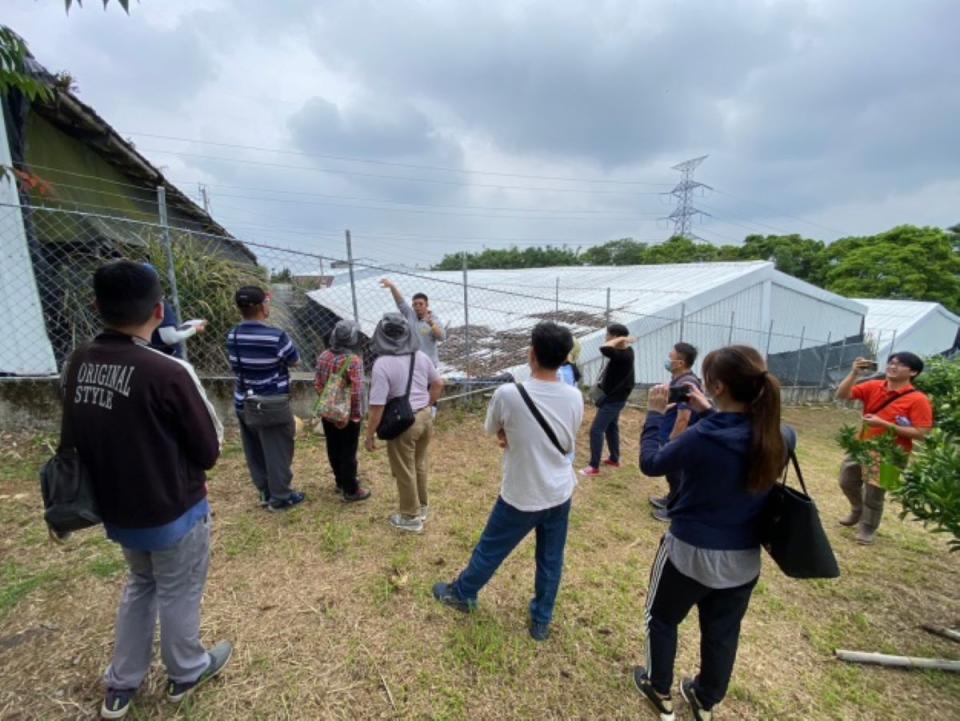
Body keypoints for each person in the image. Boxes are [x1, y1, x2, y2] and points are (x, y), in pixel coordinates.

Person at [61, 260, 231, 720]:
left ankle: (122, 684)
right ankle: (188, 670)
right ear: (160, 310)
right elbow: (208, 448)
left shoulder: (79, 361)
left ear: (96, 307)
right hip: (173, 507)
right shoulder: (166, 371)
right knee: (178, 588)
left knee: (140, 584)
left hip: (116, 509)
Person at [633, 345, 787, 721]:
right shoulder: (780, 435)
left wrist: (654, 417)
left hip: (688, 552)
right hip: (744, 559)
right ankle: (705, 699)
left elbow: (651, 463)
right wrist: (710, 413)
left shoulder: (704, 437)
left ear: (716, 387)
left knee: (663, 618)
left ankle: (658, 686)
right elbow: (734, 442)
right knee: (722, 632)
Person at [433, 321, 584, 641]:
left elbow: (492, 428)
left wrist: (507, 433)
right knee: (551, 559)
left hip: (522, 493)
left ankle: (462, 593)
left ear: (531, 354)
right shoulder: (574, 396)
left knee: (491, 549)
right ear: (564, 358)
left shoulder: (508, 393)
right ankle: (541, 620)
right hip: (560, 491)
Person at [834, 352, 933, 544]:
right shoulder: (874, 386)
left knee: (874, 492)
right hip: (862, 445)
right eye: (891, 362)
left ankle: (867, 528)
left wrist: (885, 424)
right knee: (847, 480)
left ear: (913, 372)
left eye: (900, 364)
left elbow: (921, 433)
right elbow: (842, 395)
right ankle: (857, 509)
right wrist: (854, 374)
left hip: (892, 452)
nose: (892, 366)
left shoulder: (918, 400)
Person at [226, 285, 305, 511]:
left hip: (244, 400)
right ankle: (281, 497)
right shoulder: (275, 336)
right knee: (278, 449)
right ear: (263, 306)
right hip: (271, 403)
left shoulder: (233, 335)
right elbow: (295, 360)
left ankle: (265, 491)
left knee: (255, 449)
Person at [365, 313, 444, 533]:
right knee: (418, 464)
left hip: (403, 423)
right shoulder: (419, 356)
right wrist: (425, 404)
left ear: (380, 335)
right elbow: (438, 383)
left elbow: (377, 406)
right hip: (424, 417)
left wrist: (370, 434)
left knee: (404, 470)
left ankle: (410, 517)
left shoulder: (382, 364)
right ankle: (422, 506)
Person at [314, 320, 371, 502]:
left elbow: (318, 384)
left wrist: (329, 405)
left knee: (333, 446)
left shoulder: (324, 355)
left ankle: (340, 481)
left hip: (328, 411)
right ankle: (351, 490)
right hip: (348, 415)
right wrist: (352, 415)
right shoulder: (354, 361)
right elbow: (356, 391)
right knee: (348, 451)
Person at [650, 342, 704, 522]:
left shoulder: (686, 384)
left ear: (680, 363)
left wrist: (673, 441)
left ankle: (674, 509)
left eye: (670, 356)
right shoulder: (679, 380)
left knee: (677, 473)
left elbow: (683, 418)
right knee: (672, 473)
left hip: (678, 438)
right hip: (670, 434)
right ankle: (670, 498)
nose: (667, 359)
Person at [581, 323, 635, 477]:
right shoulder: (625, 351)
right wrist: (621, 340)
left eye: (608, 334)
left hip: (614, 399)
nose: (606, 337)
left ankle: (594, 466)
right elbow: (607, 348)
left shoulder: (624, 355)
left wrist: (621, 339)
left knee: (596, 430)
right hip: (615, 397)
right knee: (612, 427)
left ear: (616, 337)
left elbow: (604, 348)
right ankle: (614, 459)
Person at [379, 277, 445, 366]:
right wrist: (392, 287)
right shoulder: (411, 314)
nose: (417, 307)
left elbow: (441, 337)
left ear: (427, 305)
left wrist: (431, 324)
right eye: (415, 304)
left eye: (421, 304)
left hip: (429, 363)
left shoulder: (434, 319)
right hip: (413, 361)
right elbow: (400, 302)